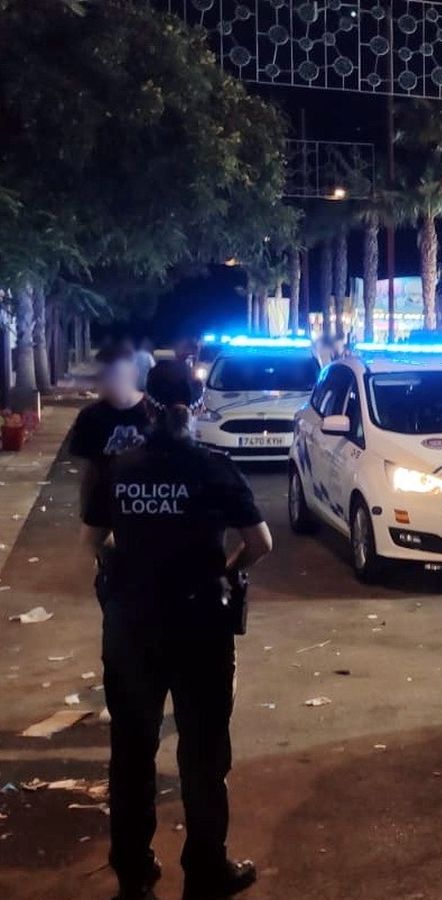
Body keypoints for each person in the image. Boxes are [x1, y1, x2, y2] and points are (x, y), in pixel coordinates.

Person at [82, 361, 273, 900]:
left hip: (132, 628)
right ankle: (207, 871)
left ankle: (135, 875)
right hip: (199, 627)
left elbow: (93, 542)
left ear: (150, 403)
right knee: (204, 753)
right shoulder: (213, 467)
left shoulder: (118, 468)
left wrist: (131, 557)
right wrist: (226, 571)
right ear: (196, 405)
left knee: (132, 752)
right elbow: (261, 544)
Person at [70, 346, 160, 514]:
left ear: (133, 373)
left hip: (147, 504)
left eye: (114, 375)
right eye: (102, 377)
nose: (108, 382)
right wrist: (86, 510)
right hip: (105, 505)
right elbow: (90, 469)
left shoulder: (154, 413)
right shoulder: (90, 416)